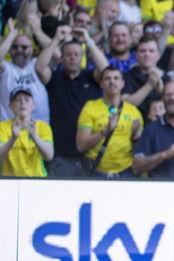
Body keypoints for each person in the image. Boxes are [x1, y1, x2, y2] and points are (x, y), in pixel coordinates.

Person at [35, 25, 109, 177]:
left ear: (82, 58)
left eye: (77, 54)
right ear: (61, 58)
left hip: (92, 150)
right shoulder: (55, 78)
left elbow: (105, 70)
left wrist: (88, 40)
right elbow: (39, 68)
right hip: (61, 152)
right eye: (68, 55)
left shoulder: (90, 77)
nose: (73, 57)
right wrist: (56, 39)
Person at [76, 66, 143, 178]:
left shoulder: (134, 112)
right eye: (107, 78)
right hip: (95, 172)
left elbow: (139, 154)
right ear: (101, 84)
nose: (112, 81)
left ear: (122, 83)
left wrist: (135, 138)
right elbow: (81, 146)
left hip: (125, 173)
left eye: (116, 78)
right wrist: (105, 131)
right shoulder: (90, 107)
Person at [0, 19, 50, 124]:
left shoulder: (37, 64)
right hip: (8, 131)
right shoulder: (6, 68)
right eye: (14, 47)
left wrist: (38, 31)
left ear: (31, 50)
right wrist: (11, 35)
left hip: (39, 131)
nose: (19, 50)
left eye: (24, 47)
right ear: (9, 49)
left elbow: (57, 53)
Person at [0, 87, 54, 177]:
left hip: (37, 180)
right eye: (18, 100)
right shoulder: (2, 127)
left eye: (27, 99)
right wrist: (13, 138)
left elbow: (49, 156)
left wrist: (34, 136)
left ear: (33, 105)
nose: (22, 102)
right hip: (9, 181)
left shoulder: (42, 127)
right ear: (10, 106)